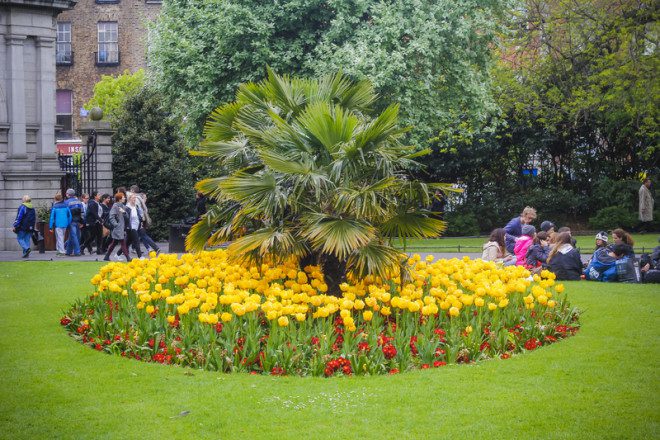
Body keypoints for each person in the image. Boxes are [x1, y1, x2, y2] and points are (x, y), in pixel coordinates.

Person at [104, 193, 131, 262]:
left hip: (121, 228)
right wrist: (116, 224)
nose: (124, 198)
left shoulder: (122, 206)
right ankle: (128, 258)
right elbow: (111, 217)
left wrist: (124, 212)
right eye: (123, 197)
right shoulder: (115, 206)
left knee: (114, 243)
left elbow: (127, 217)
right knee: (122, 242)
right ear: (119, 199)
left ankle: (106, 256)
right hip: (118, 228)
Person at [64, 188, 83, 256]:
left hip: (71, 221)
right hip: (78, 221)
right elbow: (82, 212)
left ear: (68, 194)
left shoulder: (66, 202)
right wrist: (82, 222)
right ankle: (68, 251)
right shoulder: (79, 201)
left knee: (73, 236)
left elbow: (66, 213)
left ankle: (77, 251)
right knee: (74, 236)